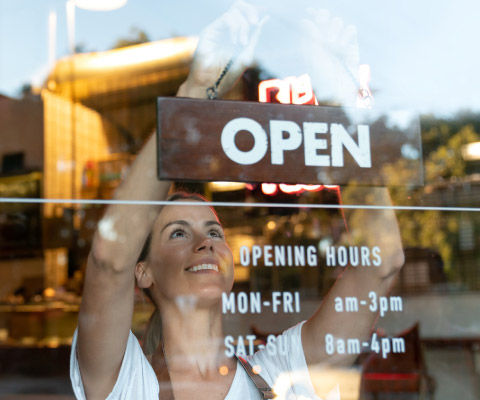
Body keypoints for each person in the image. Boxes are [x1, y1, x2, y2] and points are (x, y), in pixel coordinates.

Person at [70, 2, 405, 399]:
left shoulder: (283, 372)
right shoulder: (127, 381)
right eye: (177, 233)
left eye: (214, 231)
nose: (206, 242)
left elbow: (381, 262)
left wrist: (339, 98)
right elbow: (110, 261)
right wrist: (193, 96)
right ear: (143, 272)